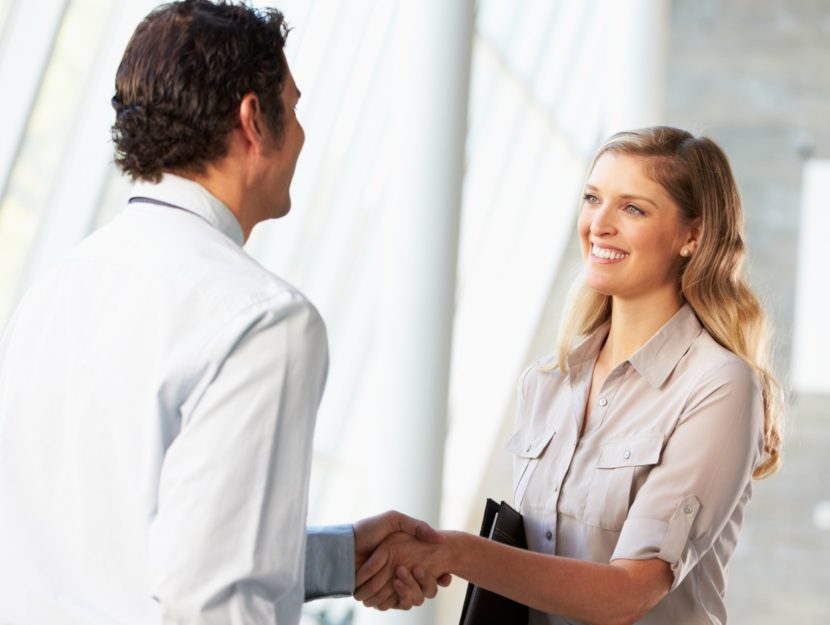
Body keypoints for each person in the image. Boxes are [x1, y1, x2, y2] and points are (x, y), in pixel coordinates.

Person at [0, 1, 444, 623]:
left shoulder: (52, 290)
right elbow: (214, 603)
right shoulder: (264, 322)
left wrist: (333, 559)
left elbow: (113, 548)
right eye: (293, 106)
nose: (304, 133)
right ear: (253, 121)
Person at [354, 126, 783, 624]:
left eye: (632, 208)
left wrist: (453, 553)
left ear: (693, 236)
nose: (598, 224)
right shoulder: (547, 381)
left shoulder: (719, 387)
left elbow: (629, 592)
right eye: (592, 199)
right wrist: (420, 559)